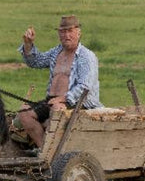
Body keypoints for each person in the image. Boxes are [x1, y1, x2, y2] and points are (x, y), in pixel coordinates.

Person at [14, 14, 102, 148]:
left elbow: (85, 86)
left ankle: (49, 151)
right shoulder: (56, 52)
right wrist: (28, 44)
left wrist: (63, 98)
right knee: (24, 113)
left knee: (56, 110)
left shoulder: (86, 56)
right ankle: (43, 149)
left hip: (79, 103)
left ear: (78, 33)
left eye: (70, 31)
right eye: (62, 31)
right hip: (52, 100)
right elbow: (36, 62)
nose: (66, 35)